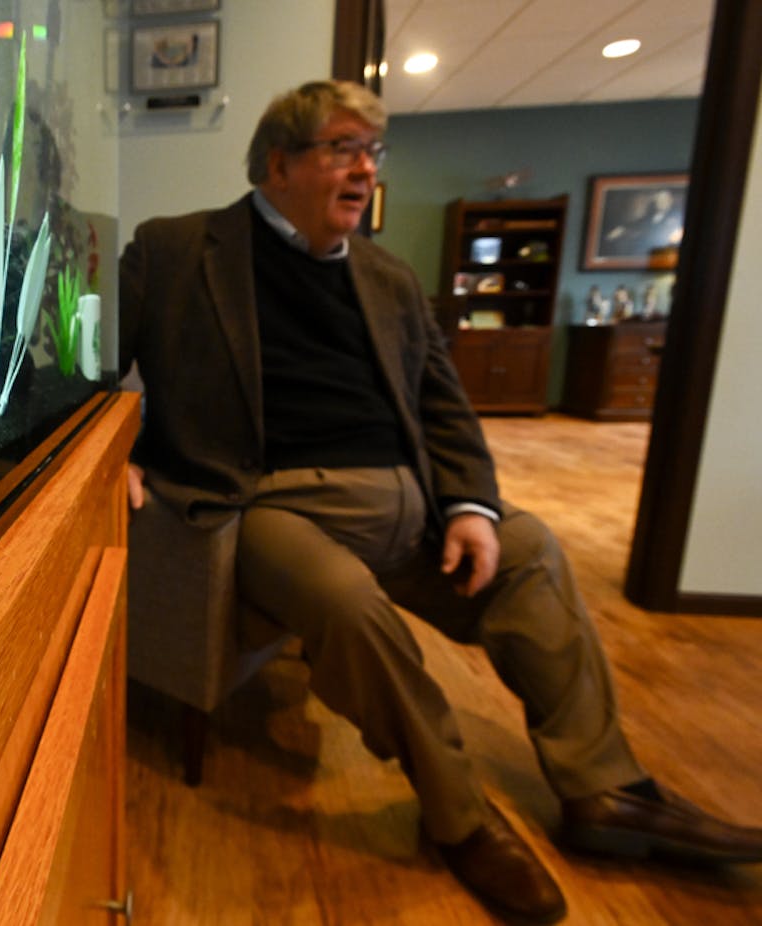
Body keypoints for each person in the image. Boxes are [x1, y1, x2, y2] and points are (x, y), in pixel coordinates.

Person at [117, 79, 762, 925]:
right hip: (269, 506)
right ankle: (458, 816)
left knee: (533, 552)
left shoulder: (387, 275)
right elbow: (91, 362)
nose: (364, 168)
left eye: (373, 152)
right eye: (343, 148)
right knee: (345, 603)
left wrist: (470, 507)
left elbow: (444, 404)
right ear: (279, 163)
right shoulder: (175, 250)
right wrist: (110, 457)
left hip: (411, 503)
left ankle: (608, 792)